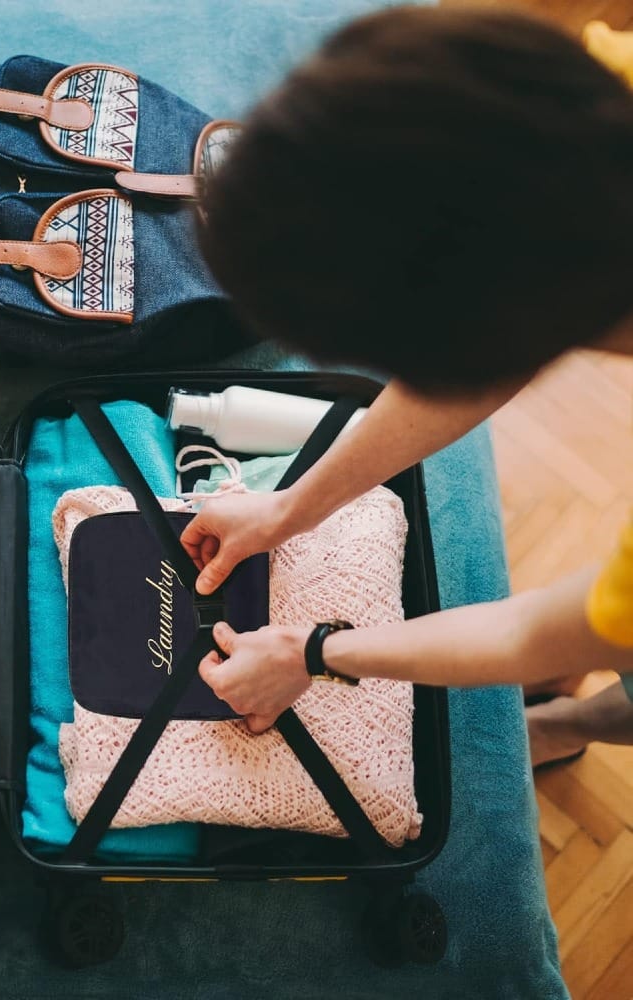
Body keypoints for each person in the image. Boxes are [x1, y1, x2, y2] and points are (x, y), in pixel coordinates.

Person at [180, 5, 633, 765]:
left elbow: (543, 630)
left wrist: (313, 652)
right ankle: (571, 710)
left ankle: (568, 726)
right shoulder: (584, 97)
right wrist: (290, 508)